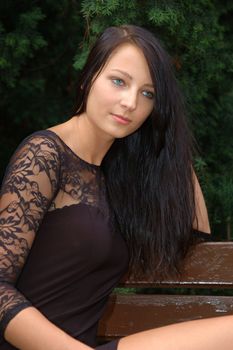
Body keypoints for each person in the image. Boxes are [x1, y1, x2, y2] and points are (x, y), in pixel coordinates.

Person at [0, 24, 231, 350]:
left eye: (147, 93)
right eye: (119, 81)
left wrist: (168, 140)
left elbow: (195, 231)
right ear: (88, 77)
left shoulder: (117, 178)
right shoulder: (44, 153)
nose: (130, 102)